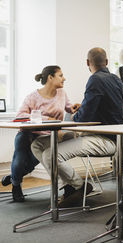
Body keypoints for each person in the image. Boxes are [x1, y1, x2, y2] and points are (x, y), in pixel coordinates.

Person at [31, 48, 123, 207]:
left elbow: (84, 117)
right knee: (38, 144)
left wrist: (75, 116)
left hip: (103, 139)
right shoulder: (116, 79)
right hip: (109, 136)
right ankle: (70, 186)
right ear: (107, 62)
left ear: (88, 63)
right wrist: (83, 107)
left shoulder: (95, 80)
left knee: (49, 155)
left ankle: (80, 186)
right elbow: (106, 107)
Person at [1, 66, 79, 202]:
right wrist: (47, 119)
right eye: (60, 75)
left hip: (48, 136)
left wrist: (74, 108)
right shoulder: (33, 97)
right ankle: (16, 186)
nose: (64, 78)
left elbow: (68, 107)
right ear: (50, 77)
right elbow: (21, 115)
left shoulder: (61, 93)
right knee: (19, 162)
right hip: (27, 135)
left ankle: (13, 178)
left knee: (30, 165)